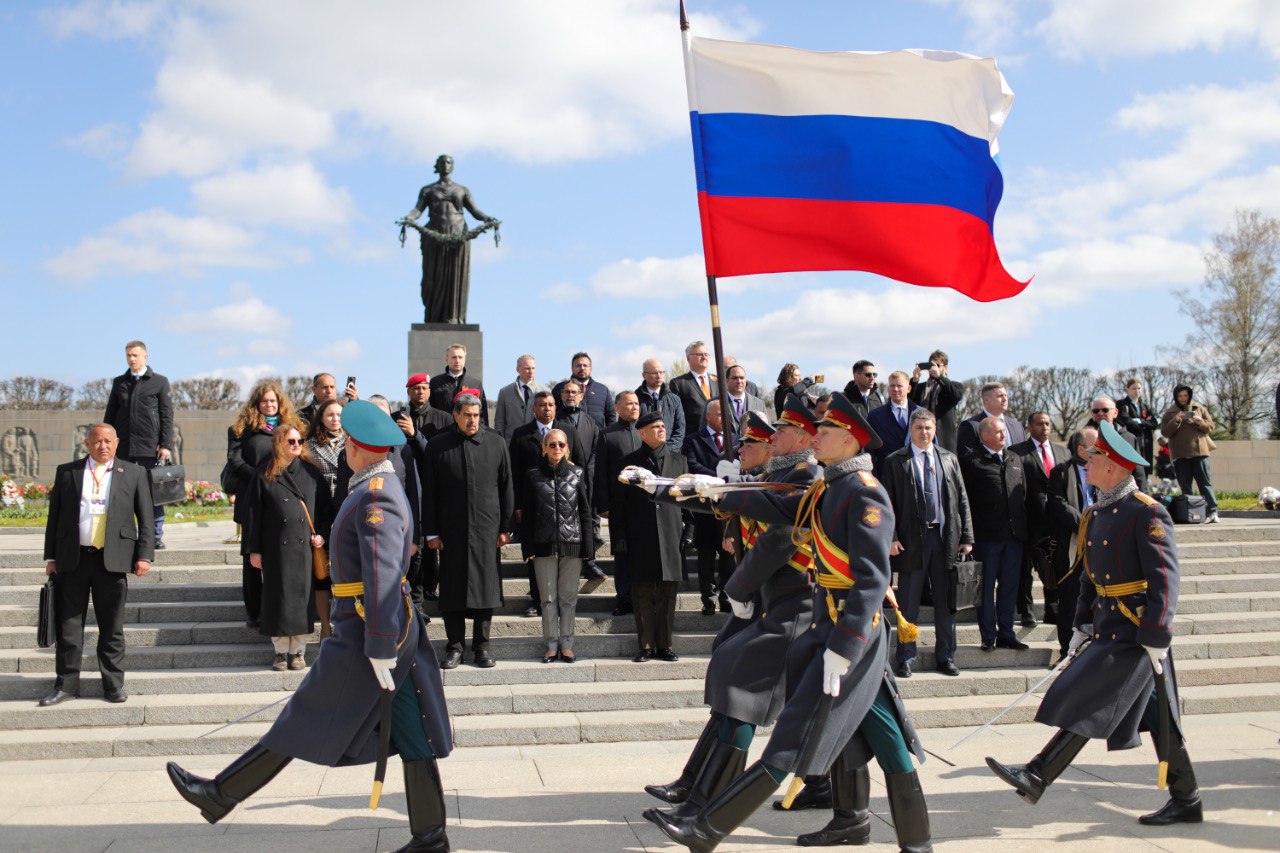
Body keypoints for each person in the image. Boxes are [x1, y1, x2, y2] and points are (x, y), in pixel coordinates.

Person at [167, 400, 454, 851]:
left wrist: (380, 645)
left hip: (367, 632)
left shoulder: (375, 494)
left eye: (348, 445)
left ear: (357, 448)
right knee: (412, 729)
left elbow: (381, 577)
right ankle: (431, 837)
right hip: (377, 628)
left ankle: (220, 794)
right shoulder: (376, 485)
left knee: (303, 715)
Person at [656, 393, 931, 853]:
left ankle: (708, 830)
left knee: (791, 738)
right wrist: (704, 491)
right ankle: (887, 833)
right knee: (885, 738)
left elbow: (872, 579)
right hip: (831, 627)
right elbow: (776, 507)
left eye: (825, 431)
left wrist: (843, 646)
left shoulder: (865, 492)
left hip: (851, 635)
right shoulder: (829, 488)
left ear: (849, 440)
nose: (815, 437)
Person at [986, 420, 1201, 828]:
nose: (1086, 463)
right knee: (1159, 718)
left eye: (1094, 457)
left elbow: (1165, 578)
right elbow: (1089, 576)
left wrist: (1157, 633)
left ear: (1114, 466)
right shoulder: (1097, 511)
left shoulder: (1146, 512)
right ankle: (1186, 796)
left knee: (1090, 699)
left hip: (1137, 633)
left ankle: (1037, 774)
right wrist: (1082, 624)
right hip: (1110, 627)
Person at [641, 409, 822, 832]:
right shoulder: (778, 474)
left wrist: (739, 587)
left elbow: (779, 537)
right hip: (773, 599)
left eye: (780, 432)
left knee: (743, 693)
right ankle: (699, 792)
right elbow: (717, 500)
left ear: (803, 439)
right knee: (735, 684)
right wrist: (659, 487)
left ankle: (706, 805)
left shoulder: (805, 476)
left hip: (794, 602)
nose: (771, 438)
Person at [39, 424, 154, 706]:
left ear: (117, 442)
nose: (103, 446)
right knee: (68, 628)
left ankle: (113, 685)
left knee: (111, 628)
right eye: (97, 441)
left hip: (112, 561)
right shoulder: (68, 472)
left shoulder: (134, 472)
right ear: (87, 444)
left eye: (108, 441)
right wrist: (51, 557)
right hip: (73, 560)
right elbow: (55, 517)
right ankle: (66, 685)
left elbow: (146, 518)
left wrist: (144, 555)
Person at [423, 392, 514, 669]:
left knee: (485, 590)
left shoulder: (496, 443)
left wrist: (506, 527)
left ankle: (482, 647)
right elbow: (429, 492)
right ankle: (454, 647)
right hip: (451, 532)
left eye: (476, 415)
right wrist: (431, 532)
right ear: (456, 415)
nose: (473, 420)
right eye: (467, 415)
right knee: (452, 591)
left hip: (487, 531)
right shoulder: (437, 446)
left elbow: (506, 487)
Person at [881, 409, 973, 678]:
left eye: (929, 427)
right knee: (908, 604)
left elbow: (962, 499)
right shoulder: (895, 461)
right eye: (919, 427)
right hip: (911, 542)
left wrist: (967, 537)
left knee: (946, 604)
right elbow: (886, 503)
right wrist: (892, 537)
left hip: (945, 540)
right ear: (911, 430)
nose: (924, 432)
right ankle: (906, 656)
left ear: (935, 430)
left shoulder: (949, 459)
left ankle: (946, 656)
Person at [248, 425, 331, 672]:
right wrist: (254, 549)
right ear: (278, 443)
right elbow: (253, 515)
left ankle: (298, 651)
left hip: (304, 549)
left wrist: (322, 535)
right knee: (278, 599)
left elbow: (326, 511)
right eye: (291, 441)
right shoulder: (264, 473)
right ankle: (280, 652)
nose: (296, 445)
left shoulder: (311, 473)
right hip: (275, 548)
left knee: (302, 600)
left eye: (299, 441)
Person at [613, 411, 688, 662]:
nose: (661, 429)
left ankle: (665, 645)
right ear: (642, 433)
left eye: (663, 426)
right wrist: (620, 537)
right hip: (640, 535)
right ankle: (645, 646)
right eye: (655, 427)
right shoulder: (629, 463)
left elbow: (689, 501)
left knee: (668, 592)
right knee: (642, 592)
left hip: (671, 535)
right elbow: (619, 505)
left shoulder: (679, 461)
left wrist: (689, 532)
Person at [226, 380, 298, 628]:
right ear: (256, 403)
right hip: (252, 497)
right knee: (252, 557)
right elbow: (235, 460)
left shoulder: (291, 428)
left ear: (280, 403)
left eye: (273, 401)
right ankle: (254, 610)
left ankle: (281, 606)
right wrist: (260, 477)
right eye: (264, 401)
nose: (269, 405)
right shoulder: (241, 429)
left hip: (282, 497)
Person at [510, 390, 588, 616]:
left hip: (566, 504)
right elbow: (514, 472)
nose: (547, 409)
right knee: (536, 556)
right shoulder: (521, 435)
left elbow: (580, 465)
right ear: (533, 408)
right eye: (542, 405)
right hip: (535, 506)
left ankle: (563, 603)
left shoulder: (569, 431)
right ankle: (537, 600)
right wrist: (518, 505)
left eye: (551, 404)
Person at [520, 429, 593, 663]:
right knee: (548, 599)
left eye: (561, 444)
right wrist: (527, 547)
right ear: (544, 448)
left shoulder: (577, 473)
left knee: (568, 599)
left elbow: (585, 512)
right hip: (543, 545)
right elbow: (528, 515)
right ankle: (551, 646)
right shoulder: (532, 475)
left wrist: (588, 548)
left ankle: (567, 645)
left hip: (572, 544)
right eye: (552, 444)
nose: (557, 448)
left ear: (567, 448)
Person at [961, 417, 1030, 653]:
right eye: (998, 431)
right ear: (984, 436)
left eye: (1004, 431)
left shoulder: (1014, 459)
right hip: (986, 537)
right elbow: (965, 500)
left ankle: (1007, 634)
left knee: (1009, 588)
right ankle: (988, 636)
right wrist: (967, 536)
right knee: (986, 588)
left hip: (1014, 537)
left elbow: (1023, 495)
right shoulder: (972, 461)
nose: (1004, 434)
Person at [403, 152, 498, 324]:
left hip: (457, 234)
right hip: (435, 234)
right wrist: (409, 217)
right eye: (442, 162)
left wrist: (487, 218)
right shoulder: (428, 190)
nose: (445, 165)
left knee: (454, 275)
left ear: (452, 166)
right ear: (437, 167)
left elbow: (475, 211)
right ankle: (433, 316)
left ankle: (453, 316)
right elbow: (417, 210)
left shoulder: (462, 190)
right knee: (433, 277)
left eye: (448, 162)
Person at [394, 374, 454, 616]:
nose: (420, 392)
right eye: (416, 388)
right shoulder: (396, 418)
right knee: (415, 539)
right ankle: (415, 591)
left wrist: (415, 434)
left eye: (424, 388)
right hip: (406, 485)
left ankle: (431, 585)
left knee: (433, 535)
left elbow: (440, 454)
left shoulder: (444, 418)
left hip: (433, 483)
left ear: (430, 392)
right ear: (409, 391)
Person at [103, 340, 173, 549]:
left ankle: (155, 536)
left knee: (152, 494)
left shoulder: (159, 382)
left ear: (145, 356)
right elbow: (110, 415)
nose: (132, 359)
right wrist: (107, 443)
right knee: (122, 492)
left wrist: (165, 444)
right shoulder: (120, 382)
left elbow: (166, 415)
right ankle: (123, 535)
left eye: (135, 355)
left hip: (149, 448)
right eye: (128, 355)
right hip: (124, 448)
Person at [1009, 412, 1071, 628]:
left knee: (1053, 564)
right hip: (1028, 519)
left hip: (1056, 520)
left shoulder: (1063, 452)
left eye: (1047, 424)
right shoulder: (1016, 452)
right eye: (1039, 424)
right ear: (1029, 427)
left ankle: (1052, 608)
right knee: (1024, 568)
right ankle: (1026, 610)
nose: (1044, 427)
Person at [1045, 427, 1098, 660]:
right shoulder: (1061, 472)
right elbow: (1058, 504)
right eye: (1095, 446)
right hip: (1071, 547)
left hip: (1100, 543)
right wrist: (1086, 525)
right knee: (1070, 600)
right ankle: (1067, 652)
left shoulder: (1104, 470)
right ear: (1082, 449)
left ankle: (1092, 652)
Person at [683, 400, 739, 614]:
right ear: (708, 416)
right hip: (705, 507)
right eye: (719, 414)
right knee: (705, 556)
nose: (724, 418)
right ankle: (708, 599)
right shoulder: (693, 440)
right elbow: (692, 465)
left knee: (728, 557)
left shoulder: (736, 440)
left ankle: (726, 597)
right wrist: (719, 477)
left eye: (726, 414)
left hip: (728, 506)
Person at [598, 391, 643, 616]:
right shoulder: (607, 435)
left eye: (636, 403)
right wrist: (603, 504)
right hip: (619, 505)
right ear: (617, 408)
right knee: (622, 553)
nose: (634, 407)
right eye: (629, 404)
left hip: (644, 504)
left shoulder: (646, 432)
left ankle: (642, 597)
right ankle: (624, 598)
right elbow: (601, 473)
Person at [555, 379, 605, 579]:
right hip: (563, 480)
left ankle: (590, 562)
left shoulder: (590, 421)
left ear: (581, 395)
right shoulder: (556, 420)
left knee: (588, 520)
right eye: (566, 392)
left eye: (574, 392)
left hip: (587, 479)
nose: (570, 395)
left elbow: (596, 450)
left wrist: (588, 473)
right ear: (561, 395)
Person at [305, 400, 345, 639]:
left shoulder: (352, 441)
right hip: (320, 511)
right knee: (321, 574)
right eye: (330, 415)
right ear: (321, 418)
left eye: (339, 414)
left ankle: (343, 625)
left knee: (342, 573)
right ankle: (325, 627)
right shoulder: (309, 446)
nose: (335, 419)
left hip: (345, 508)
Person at [1160, 385, 1218, 523]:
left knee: (1204, 483)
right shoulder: (1169, 413)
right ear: (1176, 397)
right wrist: (1176, 420)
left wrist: (1200, 422)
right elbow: (1165, 432)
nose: (1183, 398)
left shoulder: (1199, 408)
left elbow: (1210, 427)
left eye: (1185, 395)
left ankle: (1212, 511)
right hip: (1180, 454)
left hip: (1199, 452)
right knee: (1185, 486)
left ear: (1190, 395)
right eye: (1180, 396)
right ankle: (1191, 513)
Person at [1086, 397, 1149, 493]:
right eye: (1096, 411)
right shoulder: (1082, 437)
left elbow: (1138, 470)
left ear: (1115, 413)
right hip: (1090, 494)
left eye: (1105, 410)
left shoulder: (1128, 438)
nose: (1100, 413)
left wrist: (1143, 493)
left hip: (1121, 494)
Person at [866, 369, 921, 476]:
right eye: (892, 386)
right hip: (887, 475)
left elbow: (932, 445)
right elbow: (870, 451)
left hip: (917, 473)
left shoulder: (922, 414)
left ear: (909, 388)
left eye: (899, 386)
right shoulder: (875, 416)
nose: (895, 389)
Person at [908, 350, 964, 453]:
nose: (934, 368)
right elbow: (908, 402)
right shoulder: (920, 387)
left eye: (938, 365)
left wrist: (939, 377)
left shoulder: (954, 386)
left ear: (945, 367)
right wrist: (915, 380)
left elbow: (955, 395)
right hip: (921, 436)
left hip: (944, 439)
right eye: (931, 365)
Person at [957, 381, 1026, 458]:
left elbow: (1024, 458)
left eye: (1006, 395)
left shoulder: (1017, 426)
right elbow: (966, 459)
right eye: (1000, 396)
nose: (1005, 399)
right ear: (986, 400)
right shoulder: (971, 426)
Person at [428, 344, 488, 425]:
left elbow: (482, 414)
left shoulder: (475, 384)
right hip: (442, 430)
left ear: (465, 359)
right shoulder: (435, 382)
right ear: (446, 359)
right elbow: (430, 411)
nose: (457, 360)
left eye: (460, 357)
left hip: (468, 429)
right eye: (454, 357)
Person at [551, 352, 615, 428]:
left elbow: (611, 417)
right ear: (572, 368)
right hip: (568, 433)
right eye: (578, 365)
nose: (582, 368)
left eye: (585, 365)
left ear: (590, 368)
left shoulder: (602, 390)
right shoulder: (560, 388)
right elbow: (552, 412)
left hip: (598, 434)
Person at [637, 358, 687, 451]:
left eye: (661, 372)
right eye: (654, 373)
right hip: (643, 453)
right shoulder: (636, 399)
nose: (659, 376)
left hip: (670, 453)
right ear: (644, 375)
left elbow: (680, 430)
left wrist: (667, 451)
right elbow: (634, 429)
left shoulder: (674, 399)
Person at [493, 354, 546, 440]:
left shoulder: (545, 391)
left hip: (537, 443)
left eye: (533, 368)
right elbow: (499, 422)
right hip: (511, 443)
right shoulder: (505, 392)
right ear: (518, 369)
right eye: (527, 368)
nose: (531, 371)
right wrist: (501, 444)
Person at [670, 341, 719, 433]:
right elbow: (674, 415)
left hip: (718, 435)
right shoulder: (679, 383)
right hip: (692, 436)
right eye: (699, 354)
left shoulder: (718, 381)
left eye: (706, 354)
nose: (704, 357)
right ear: (688, 358)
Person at [1118, 377, 1159, 471]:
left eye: (1139, 388)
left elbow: (1154, 423)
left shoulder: (1145, 406)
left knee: (1144, 470)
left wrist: (1140, 421)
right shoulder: (1122, 404)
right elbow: (1127, 422)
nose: (1137, 391)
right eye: (1134, 388)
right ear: (1127, 389)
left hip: (1145, 444)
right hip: (1130, 443)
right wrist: (1145, 425)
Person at [722, 364, 766, 436]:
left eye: (742, 378)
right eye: (734, 378)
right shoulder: (715, 403)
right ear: (727, 380)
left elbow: (766, 430)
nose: (739, 381)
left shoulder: (759, 404)